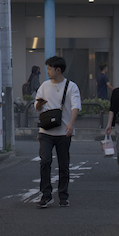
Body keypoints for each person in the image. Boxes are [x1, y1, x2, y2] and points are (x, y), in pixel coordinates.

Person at [34, 56, 81, 208]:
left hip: (63, 132)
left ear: (58, 70)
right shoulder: (44, 86)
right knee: (45, 161)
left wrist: (71, 124)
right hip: (45, 131)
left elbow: (75, 106)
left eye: (49, 68)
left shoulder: (71, 86)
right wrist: (39, 105)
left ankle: (63, 195)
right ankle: (46, 194)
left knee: (63, 164)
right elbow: (37, 106)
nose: (47, 71)